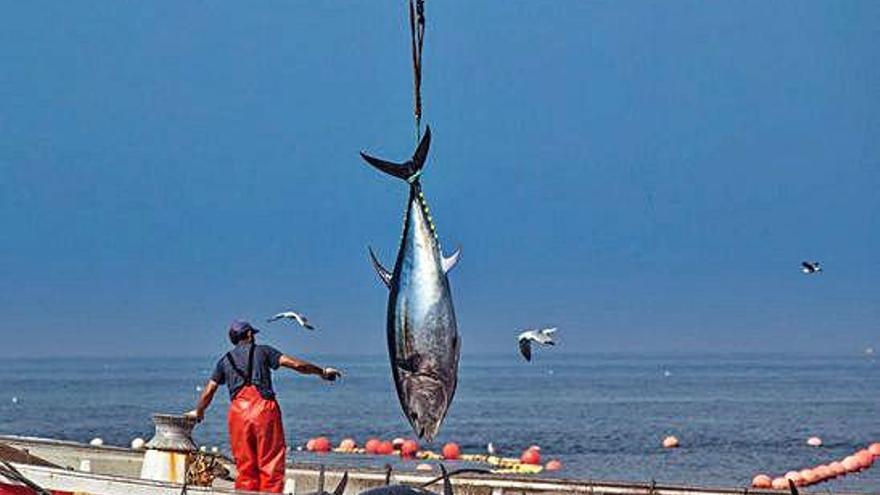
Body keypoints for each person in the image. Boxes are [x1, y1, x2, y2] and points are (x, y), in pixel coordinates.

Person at [188, 320, 341, 493]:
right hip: (264, 411)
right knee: (270, 465)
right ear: (248, 334)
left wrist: (199, 412)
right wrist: (322, 372)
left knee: (245, 467)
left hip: (238, 415)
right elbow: (297, 365)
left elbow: (209, 391)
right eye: (252, 333)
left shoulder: (225, 361)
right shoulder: (264, 351)